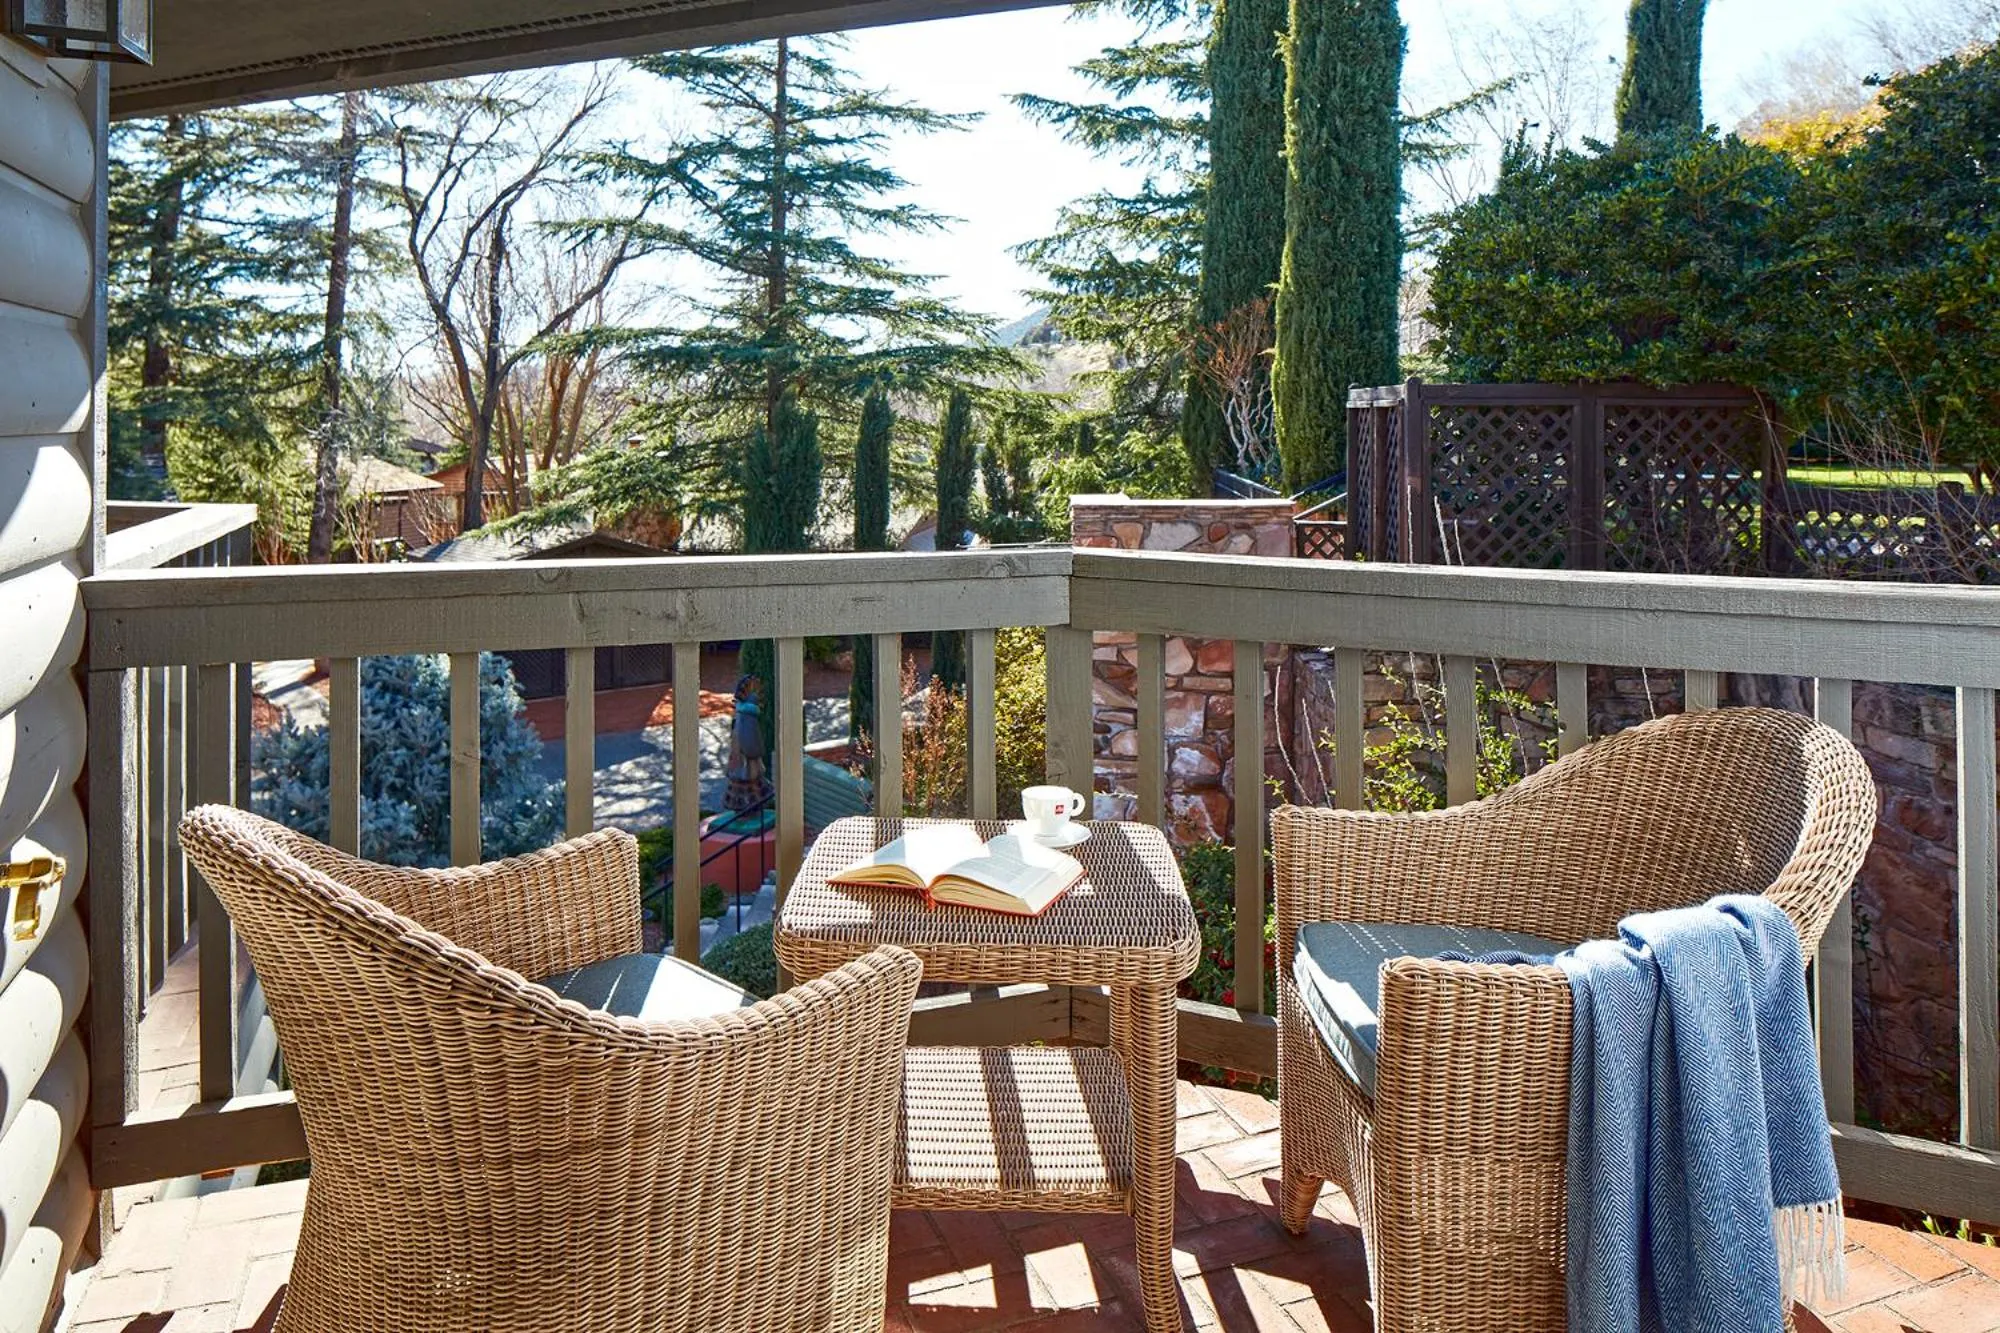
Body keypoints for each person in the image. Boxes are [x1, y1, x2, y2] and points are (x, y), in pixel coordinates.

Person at [722, 673, 773, 810]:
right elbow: (752, 745)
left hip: (742, 760)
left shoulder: (741, 716)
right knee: (748, 787)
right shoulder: (747, 718)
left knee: (746, 785)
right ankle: (747, 810)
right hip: (745, 762)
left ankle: (746, 809)